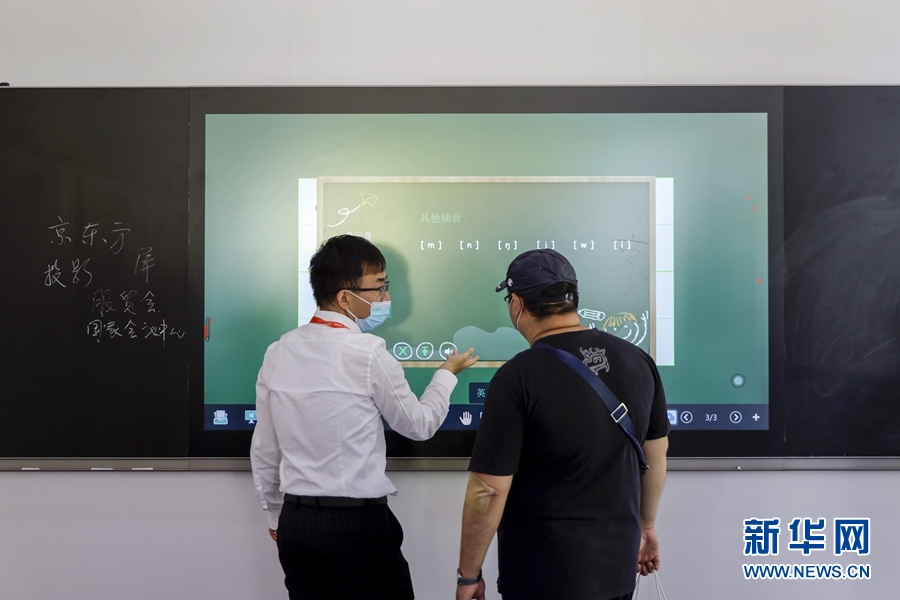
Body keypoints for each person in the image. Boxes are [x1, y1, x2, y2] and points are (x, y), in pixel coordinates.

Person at [251, 234, 478, 600]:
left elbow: (265, 448)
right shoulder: (368, 352)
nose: (386, 297)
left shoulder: (278, 351)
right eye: (379, 287)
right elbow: (419, 425)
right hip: (355, 523)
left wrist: (275, 514)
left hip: (297, 523)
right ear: (345, 298)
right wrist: (446, 374)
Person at [456, 249, 669, 600]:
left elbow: (487, 489)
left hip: (542, 577)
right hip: (617, 572)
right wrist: (646, 526)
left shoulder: (517, 377)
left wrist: (468, 575)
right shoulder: (638, 361)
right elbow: (655, 455)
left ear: (517, 304)